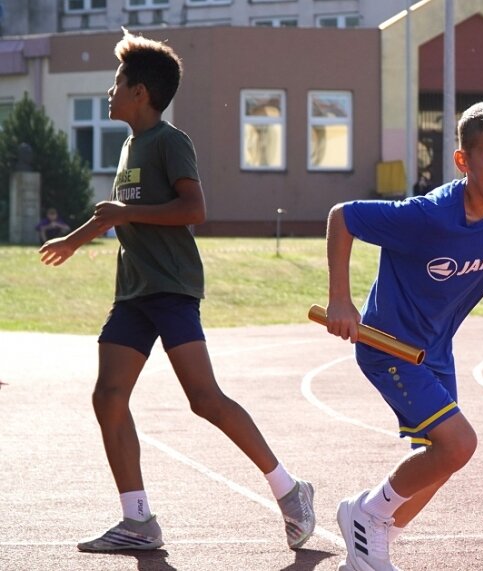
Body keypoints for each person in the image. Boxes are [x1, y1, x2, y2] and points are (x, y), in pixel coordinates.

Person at [38, 28, 314, 553]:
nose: (110, 92)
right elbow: (116, 215)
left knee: (204, 399)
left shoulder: (169, 142)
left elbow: (194, 211)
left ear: (141, 92)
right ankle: (138, 520)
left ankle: (290, 490)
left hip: (171, 289)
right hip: (134, 294)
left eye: (117, 83)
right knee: (108, 396)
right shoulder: (129, 146)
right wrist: (74, 241)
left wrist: (126, 214)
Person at [325, 101, 483, 571]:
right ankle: (366, 514)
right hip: (389, 347)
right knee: (458, 445)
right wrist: (341, 298)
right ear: (463, 161)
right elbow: (343, 217)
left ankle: (367, 541)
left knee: (440, 464)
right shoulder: (429, 216)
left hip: (434, 350)